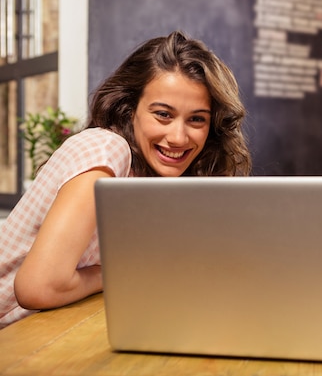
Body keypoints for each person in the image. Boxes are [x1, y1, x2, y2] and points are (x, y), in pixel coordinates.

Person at [0, 30, 252, 328]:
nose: (178, 137)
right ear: (128, 109)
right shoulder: (107, 149)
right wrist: (125, 270)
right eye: (163, 114)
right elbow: (38, 288)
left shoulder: (151, 175)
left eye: (197, 119)